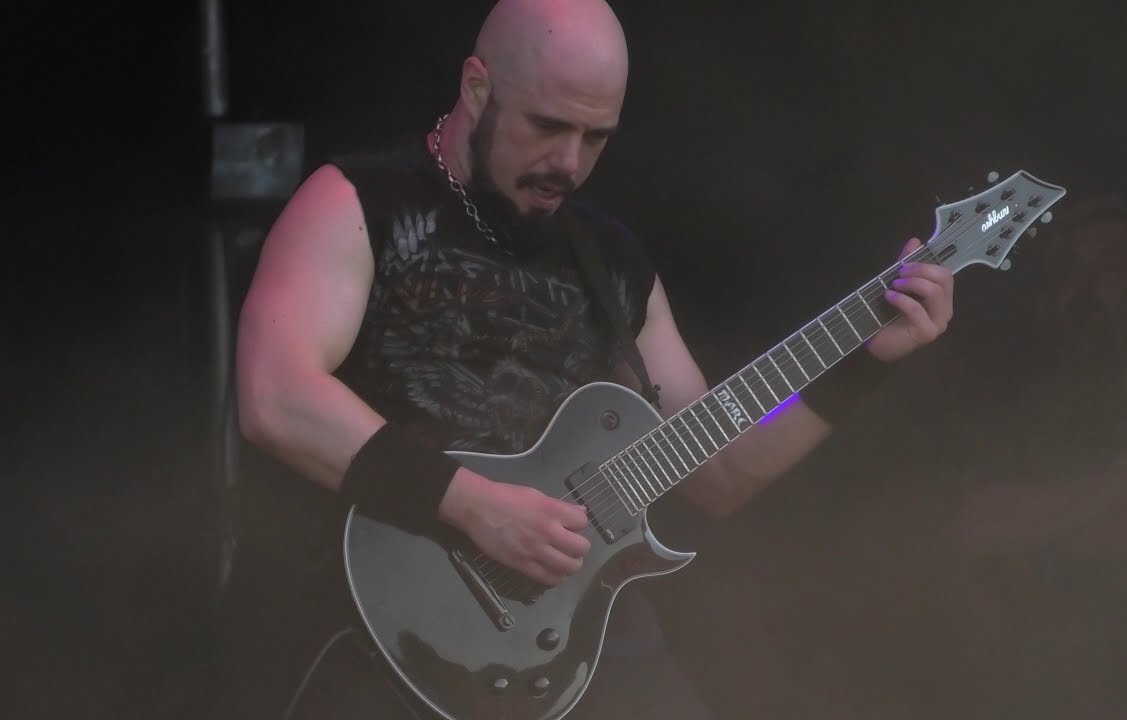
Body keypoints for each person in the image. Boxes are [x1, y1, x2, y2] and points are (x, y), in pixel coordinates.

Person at [212, 0, 956, 717]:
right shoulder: (357, 201)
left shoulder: (612, 262)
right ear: (477, 87)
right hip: (373, 623)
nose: (567, 162)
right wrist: (476, 507)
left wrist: (867, 361)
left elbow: (720, 473)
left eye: (596, 137)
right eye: (547, 126)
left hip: (565, 640)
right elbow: (275, 396)